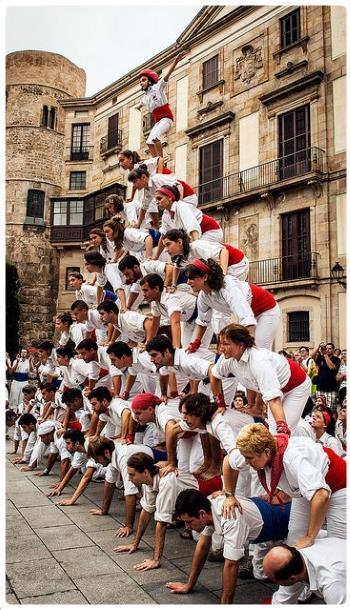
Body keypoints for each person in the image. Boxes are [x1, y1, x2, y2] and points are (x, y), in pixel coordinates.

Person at [222, 423, 346, 557]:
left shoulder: (292, 458)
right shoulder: (252, 450)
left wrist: (310, 537)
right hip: (306, 491)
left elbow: (321, 495)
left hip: (339, 485)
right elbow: (228, 461)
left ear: (267, 452)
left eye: (249, 459)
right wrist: (229, 496)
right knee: (295, 541)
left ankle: (322, 544)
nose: (246, 462)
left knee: (338, 544)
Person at [166, 489, 291, 603]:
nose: (187, 527)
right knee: (260, 573)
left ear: (202, 514)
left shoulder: (230, 516)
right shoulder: (208, 503)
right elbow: (202, 546)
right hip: (261, 516)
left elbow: (231, 564)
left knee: (296, 580)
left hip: (282, 518)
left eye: (189, 522)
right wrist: (189, 584)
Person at [211, 324, 311, 433]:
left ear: (240, 345)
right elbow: (214, 376)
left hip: (296, 387)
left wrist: (282, 426)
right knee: (274, 433)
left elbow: (274, 398)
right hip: (276, 391)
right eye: (220, 343)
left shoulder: (259, 361)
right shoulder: (226, 359)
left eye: (226, 344)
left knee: (281, 433)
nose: (221, 348)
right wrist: (220, 403)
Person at [114, 451, 198, 571]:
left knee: (204, 540)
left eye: (132, 475)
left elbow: (161, 523)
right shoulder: (147, 480)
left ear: (145, 472)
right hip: (186, 507)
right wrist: (135, 543)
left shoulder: (166, 481)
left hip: (202, 503)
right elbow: (146, 511)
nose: (129, 478)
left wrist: (155, 560)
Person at [186, 259, 280, 350]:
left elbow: (246, 318)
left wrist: (250, 347)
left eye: (192, 278)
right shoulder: (203, 297)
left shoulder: (227, 288)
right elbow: (202, 322)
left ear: (205, 277)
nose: (188, 282)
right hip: (250, 314)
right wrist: (195, 343)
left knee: (259, 351)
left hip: (267, 310)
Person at [262, 538, 346, 604]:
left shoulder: (332, 584)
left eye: (273, 580)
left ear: (292, 579)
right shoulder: (296, 560)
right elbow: (282, 601)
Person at [136, 52, 187, 157]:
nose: (141, 83)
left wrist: (175, 62)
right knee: (149, 142)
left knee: (155, 138)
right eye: (140, 81)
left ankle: (160, 160)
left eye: (144, 80)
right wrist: (138, 106)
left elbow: (167, 76)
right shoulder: (145, 97)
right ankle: (155, 160)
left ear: (150, 81)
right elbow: (141, 103)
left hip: (166, 119)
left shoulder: (158, 87)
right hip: (158, 121)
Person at [163, 228, 249, 280]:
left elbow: (223, 251)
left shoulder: (197, 246)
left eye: (168, 244)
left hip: (237, 264)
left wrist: (223, 275)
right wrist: (173, 284)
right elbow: (176, 267)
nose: (166, 250)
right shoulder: (182, 258)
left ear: (179, 242)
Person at [311, 342, 340, 411]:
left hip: (331, 388)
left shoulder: (336, 359)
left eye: (330, 349)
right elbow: (312, 355)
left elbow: (332, 368)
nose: (327, 350)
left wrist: (325, 355)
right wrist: (318, 346)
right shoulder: (321, 358)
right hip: (320, 387)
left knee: (331, 409)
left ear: (333, 350)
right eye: (326, 348)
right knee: (319, 408)